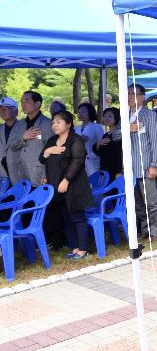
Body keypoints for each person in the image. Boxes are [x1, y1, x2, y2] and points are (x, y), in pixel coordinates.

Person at [39, 110, 94, 259]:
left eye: (58, 122)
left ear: (68, 124)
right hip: (56, 185)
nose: (54, 125)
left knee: (77, 217)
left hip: (73, 185)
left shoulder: (76, 140)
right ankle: (75, 246)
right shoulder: (51, 141)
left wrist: (66, 180)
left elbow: (77, 161)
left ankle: (83, 249)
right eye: (53, 122)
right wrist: (48, 151)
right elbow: (42, 159)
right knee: (66, 218)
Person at [128, 84, 157, 239]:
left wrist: (154, 165)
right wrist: (127, 128)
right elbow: (115, 136)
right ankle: (145, 230)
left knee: (152, 202)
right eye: (128, 93)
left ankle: (156, 231)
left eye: (133, 94)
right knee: (138, 203)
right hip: (130, 168)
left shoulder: (150, 116)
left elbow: (156, 141)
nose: (129, 96)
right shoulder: (126, 115)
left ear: (142, 97)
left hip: (146, 165)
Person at [10, 91, 54, 185]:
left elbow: (52, 151)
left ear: (37, 104)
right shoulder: (19, 124)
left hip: (39, 175)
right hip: (21, 174)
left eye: (27, 101)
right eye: (22, 101)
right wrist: (23, 138)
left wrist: (45, 174)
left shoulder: (48, 124)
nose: (23, 104)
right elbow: (12, 147)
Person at [75, 102, 104, 176]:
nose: (80, 114)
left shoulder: (97, 127)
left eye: (83, 111)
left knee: (93, 184)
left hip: (93, 161)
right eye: (79, 112)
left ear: (90, 112)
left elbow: (101, 145)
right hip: (79, 161)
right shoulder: (76, 128)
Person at [93, 107, 123, 180]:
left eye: (110, 116)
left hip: (116, 171)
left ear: (116, 117)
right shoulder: (106, 135)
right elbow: (98, 152)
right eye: (105, 116)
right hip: (105, 171)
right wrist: (98, 144)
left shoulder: (120, 135)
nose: (106, 118)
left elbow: (119, 154)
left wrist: (119, 172)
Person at [0, 97, 22, 180]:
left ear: (16, 111)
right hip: (2, 174)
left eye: (7, 108)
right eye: (1, 109)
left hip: (19, 174)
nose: (3, 111)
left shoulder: (24, 127)